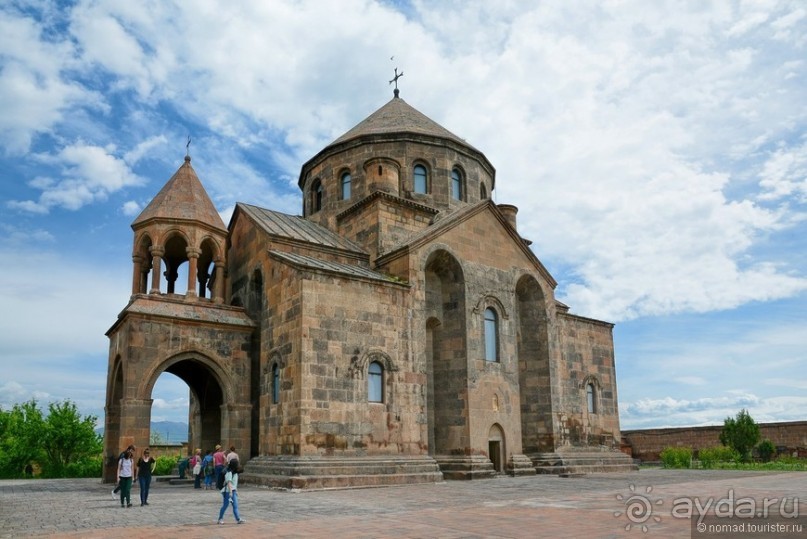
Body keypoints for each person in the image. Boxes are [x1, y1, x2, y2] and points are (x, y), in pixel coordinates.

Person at [217, 459, 245, 525]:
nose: (238, 465)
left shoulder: (235, 472)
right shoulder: (229, 472)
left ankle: (238, 519)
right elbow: (229, 483)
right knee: (225, 505)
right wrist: (230, 492)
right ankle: (220, 519)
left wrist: (236, 491)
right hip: (227, 492)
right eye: (237, 464)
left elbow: (234, 484)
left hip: (233, 491)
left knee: (235, 505)